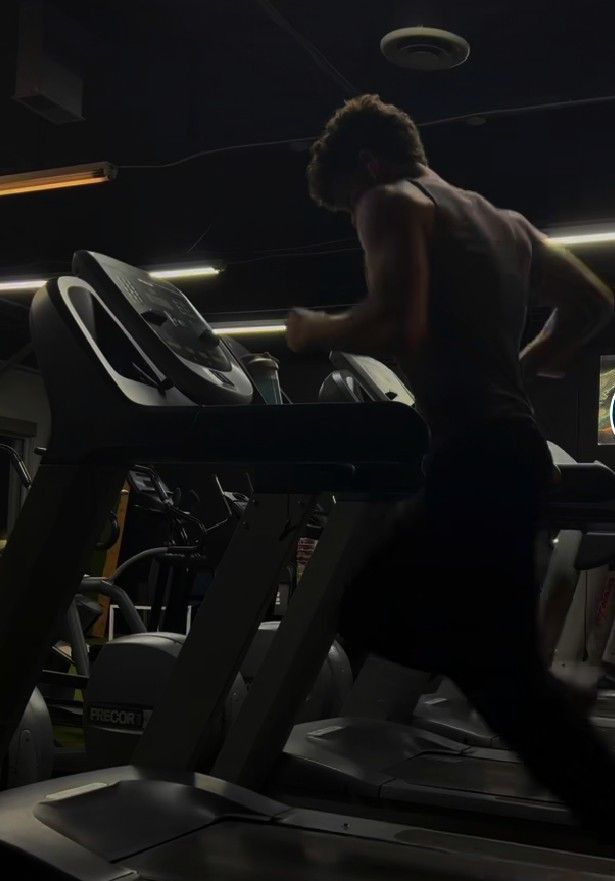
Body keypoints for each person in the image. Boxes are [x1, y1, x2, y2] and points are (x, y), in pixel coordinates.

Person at [286, 94, 615, 838]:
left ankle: (546, 703)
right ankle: (540, 694)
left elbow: (395, 321)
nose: (353, 216)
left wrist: (313, 330)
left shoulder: (390, 197)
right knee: (477, 654)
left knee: (368, 608)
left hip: (472, 458)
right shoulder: (504, 223)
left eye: (346, 202)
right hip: (512, 454)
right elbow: (592, 304)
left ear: (365, 164)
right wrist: (523, 368)